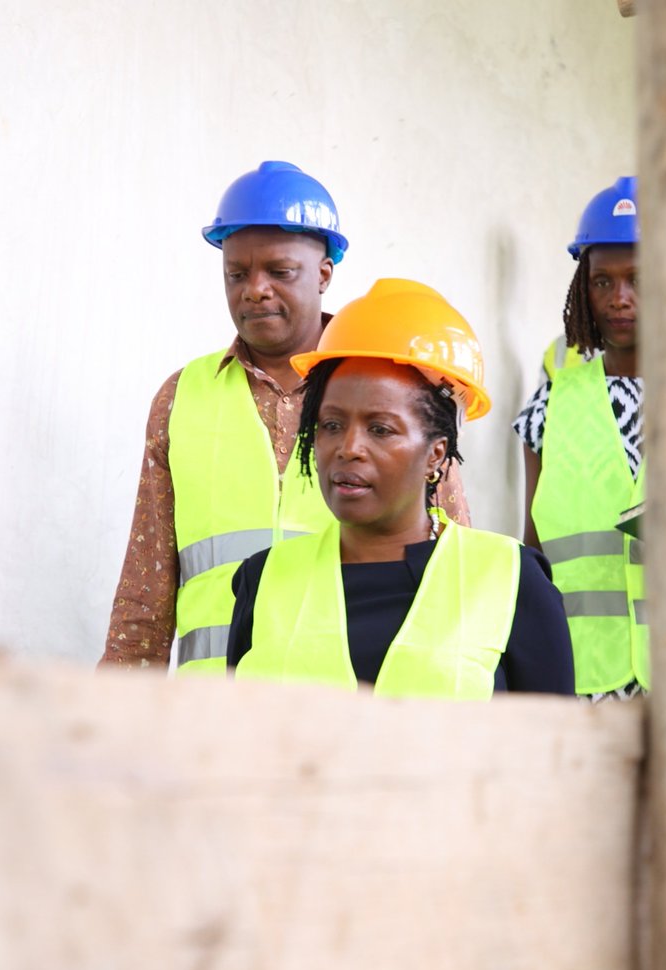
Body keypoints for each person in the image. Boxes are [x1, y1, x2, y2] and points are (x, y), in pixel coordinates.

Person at [227, 278, 593, 970]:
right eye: (328, 425)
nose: (346, 449)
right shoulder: (264, 581)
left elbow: (556, 790)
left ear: (436, 454)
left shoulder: (510, 581)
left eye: (379, 428)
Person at [98, 161, 469, 673]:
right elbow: (146, 591)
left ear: (323, 274)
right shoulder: (182, 397)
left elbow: (452, 557)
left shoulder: (394, 389)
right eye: (237, 274)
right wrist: (119, 710)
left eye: (279, 272)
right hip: (213, 716)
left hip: (353, 707)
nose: (254, 289)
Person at [512, 177, 649, 970]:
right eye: (604, 280)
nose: (623, 296)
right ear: (583, 286)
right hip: (573, 679)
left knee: (658, 901)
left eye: (642, 276)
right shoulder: (560, 382)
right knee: (572, 889)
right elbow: (528, 534)